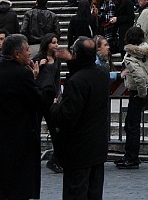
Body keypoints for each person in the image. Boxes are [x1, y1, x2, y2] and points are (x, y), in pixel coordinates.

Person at [0, 33, 57, 200]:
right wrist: (40, 79)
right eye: (26, 50)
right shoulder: (20, 75)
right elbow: (40, 100)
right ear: (17, 54)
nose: (29, 53)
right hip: (16, 143)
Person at [49, 35, 110, 200]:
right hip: (97, 148)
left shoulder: (77, 82)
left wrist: (54, 107)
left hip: (79, 150)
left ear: (76, 55)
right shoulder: (101, 75)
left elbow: (67, 115)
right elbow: (84, 68)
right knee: (94, 193)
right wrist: (73, 59)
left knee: (76, 192)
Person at [115, 25, 148, 169]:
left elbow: (139, 77)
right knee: (132, 124)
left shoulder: (130, 57)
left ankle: (131, 157)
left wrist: (141, 94)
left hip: (137, 93)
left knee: (131, 126)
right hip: (145, 91)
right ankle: (130, 156)